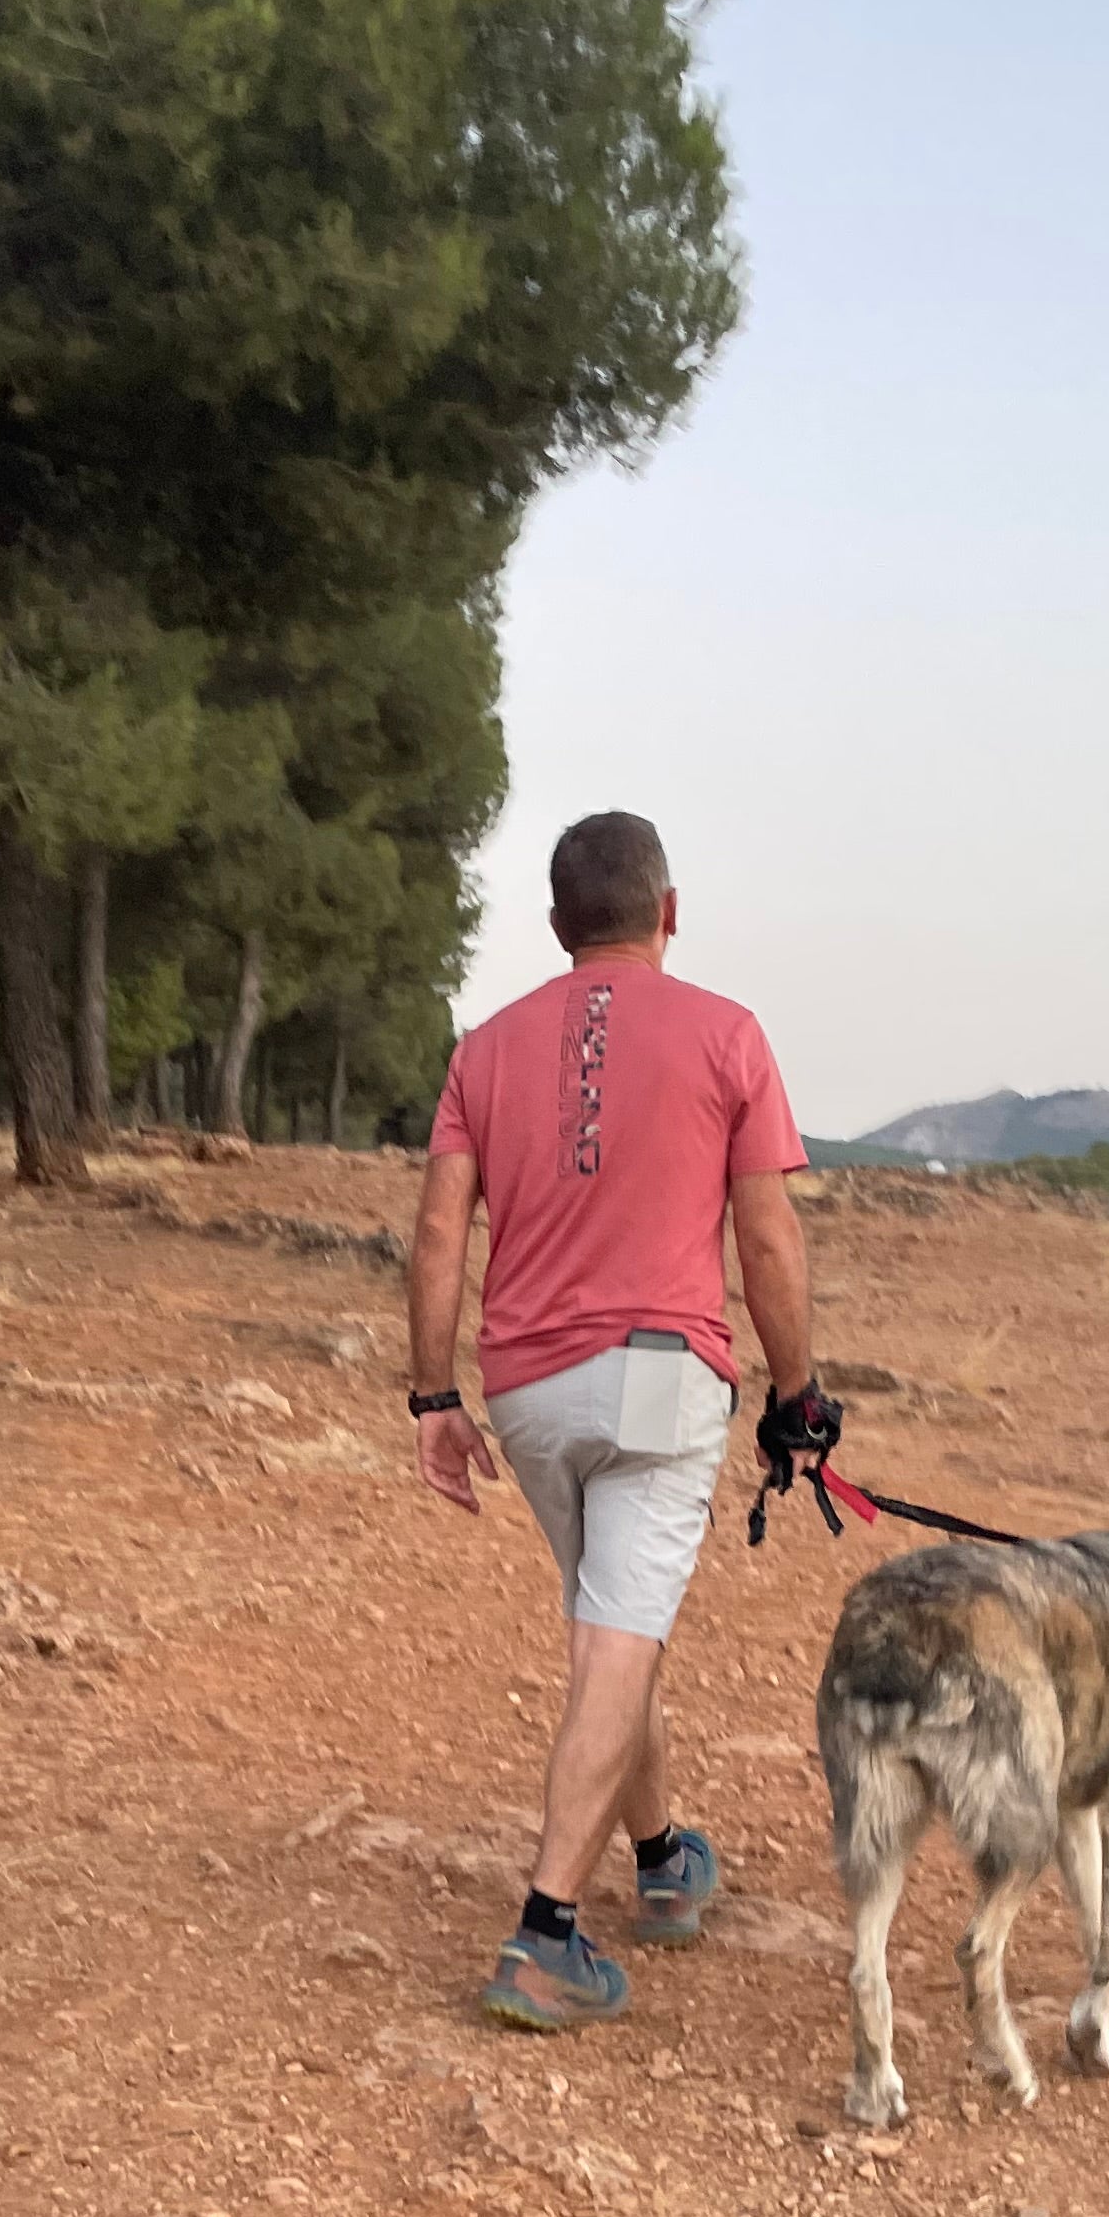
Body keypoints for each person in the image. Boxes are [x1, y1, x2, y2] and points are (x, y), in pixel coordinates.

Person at [406, 810, 837, 2032]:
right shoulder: (727, 1034)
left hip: (528, 1387)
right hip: (659, 1373)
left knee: (613, 1622)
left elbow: (442, 1230)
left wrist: (434, 1395)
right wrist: (797, 1396)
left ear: (557, 928)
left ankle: (662, 1860)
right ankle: (546, 1934)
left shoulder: (484, 1049)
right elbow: (765, 1235)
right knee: (617, 1636)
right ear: (669, 912)